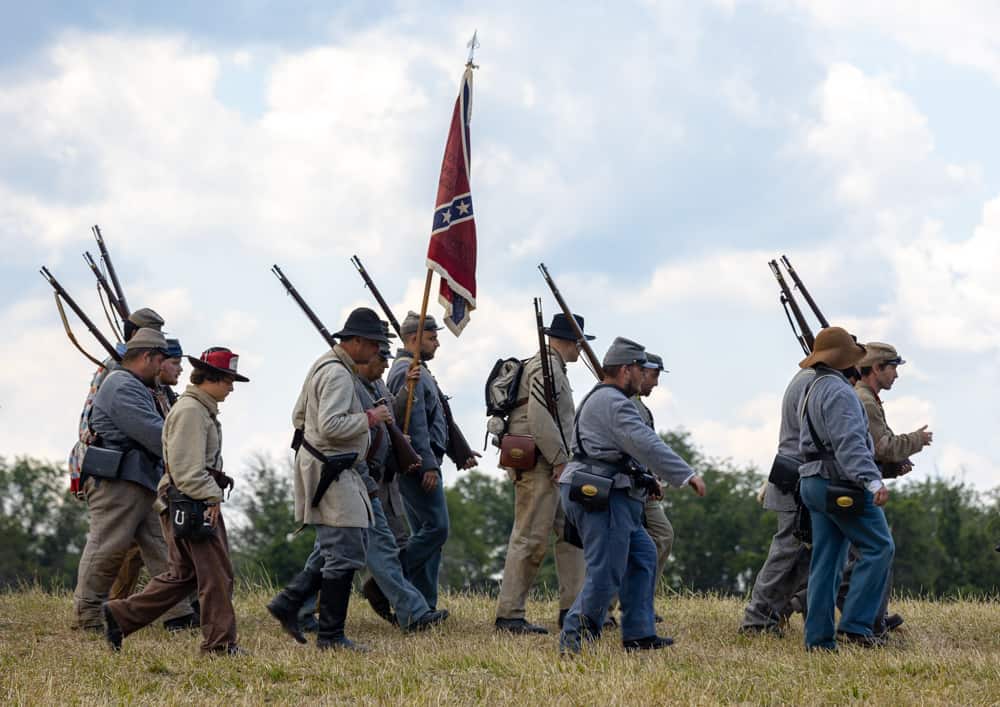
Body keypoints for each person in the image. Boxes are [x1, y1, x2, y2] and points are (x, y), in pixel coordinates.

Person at [557, 337, 706, 655]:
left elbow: (620, 451)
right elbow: (645, 442)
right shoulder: (614, 402)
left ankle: (638, 633)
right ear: (626, 370)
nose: (645, 376)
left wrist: (646, 477)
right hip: (603, 494)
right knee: (606, 570)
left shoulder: (609, 400)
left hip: (613, 490)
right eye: (641, 369)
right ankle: (576, 637)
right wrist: (686, 474)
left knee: (643, 555)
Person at [103, 347, 247, 655]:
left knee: (183, 576)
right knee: (216, 576)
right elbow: (187, 470)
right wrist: (212, 497)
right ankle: (219, 644)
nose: (232, 388)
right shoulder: (192, 412)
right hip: (193, 502)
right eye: (229, 380)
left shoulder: (196, 409)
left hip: (186, 500)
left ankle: (121, 615)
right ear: (212, 378)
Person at [268, 308, 391, 651]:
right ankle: (331, 636)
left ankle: (290, 603)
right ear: (356, 342)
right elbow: (332, 425)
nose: (377, 352)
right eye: (373, 345)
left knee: (346, 547)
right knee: (346, 551)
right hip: (333, 469)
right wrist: (370, 417)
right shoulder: (337, 375)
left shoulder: (325, 366)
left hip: (330, 467)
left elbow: (299, 417)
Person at [72, 328, 196, 632]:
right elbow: (155, 433)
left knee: (162, 548)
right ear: (146, 357)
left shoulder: (138, 385)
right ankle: (88, 616)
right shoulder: (122, 386)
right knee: (107, 547)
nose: (164, 367)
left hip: (139, 479)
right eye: (160, 360)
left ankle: (178, 612)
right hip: (118, 481)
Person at [797, 327, 894, 651]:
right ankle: (856, 624)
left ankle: (819, 640)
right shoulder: (840, 393)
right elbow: (850, 444)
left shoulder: (813, 388)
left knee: (826, 562)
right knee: (880, 547)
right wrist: (872, 479)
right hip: (839, 483)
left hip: (813, 481)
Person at [494, 313, 589, 635]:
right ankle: (509, 615)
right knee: (530, 538)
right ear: (569, 341)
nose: (581, 349)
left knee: (572, 534)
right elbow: (539, 417)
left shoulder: (553, 368)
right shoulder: (544, 368)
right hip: (542, 465)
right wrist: (561, 461)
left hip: (554, 463)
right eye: (579, 342)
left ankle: (573, 609)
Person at [837, 342, 933, 634]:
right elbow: (883, 447)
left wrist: (890, 467)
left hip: (857, 485)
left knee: (866, 553)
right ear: (876, 368)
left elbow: (874, 452)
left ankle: (873, 618)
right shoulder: (865, 401)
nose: (896, 375)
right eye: (892, 367)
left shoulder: (868, 399)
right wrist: (917, 439)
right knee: (878, 549)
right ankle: (865, 622)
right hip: (858, 488)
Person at [386, 312, 477, 611]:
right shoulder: (406, 370)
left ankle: (424, 605)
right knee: (437, 529)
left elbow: (439, 415)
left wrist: (458, 451)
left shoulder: (418, 369)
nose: (437, 343)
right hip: (417, 464)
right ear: (413, 339)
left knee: (430, 535)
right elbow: (414, 423)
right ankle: (392, 577)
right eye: (432, 337)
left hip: (424, 460)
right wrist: (428, 464)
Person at [739, 365, 815, 635]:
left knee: (802, 555)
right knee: (786, 552)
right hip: (798, 477)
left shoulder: (808, 379)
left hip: (797, 476)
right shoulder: (814, 382)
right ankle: (757, 618)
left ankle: (775, 612)